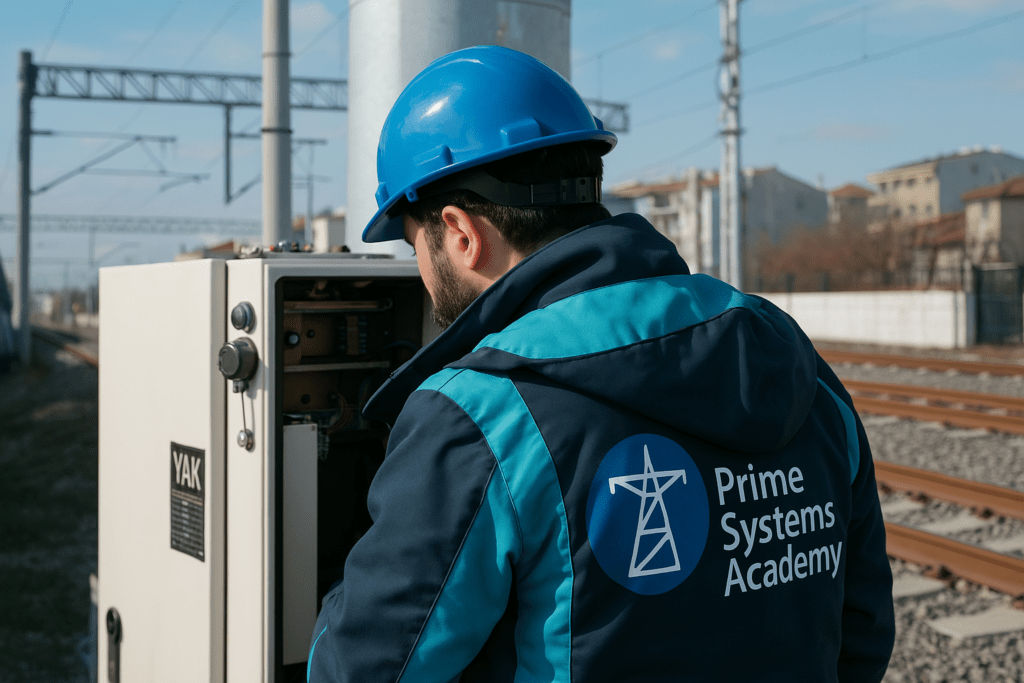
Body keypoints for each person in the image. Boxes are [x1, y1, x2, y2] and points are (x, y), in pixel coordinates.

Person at [307, 45, 894, 682]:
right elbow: (859, 634)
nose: (421, 274)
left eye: (414, 244)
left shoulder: (480, 415)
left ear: (459, 232)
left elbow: (364, 669)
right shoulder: (792, 358)